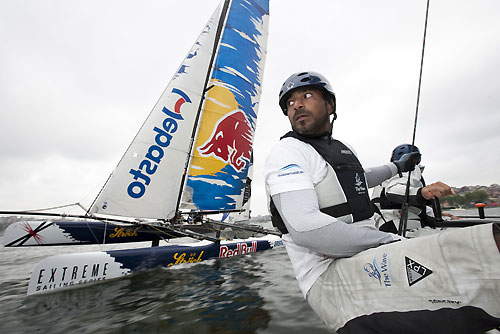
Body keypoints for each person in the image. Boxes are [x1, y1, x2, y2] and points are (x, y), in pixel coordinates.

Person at [264, 71, 500, 333]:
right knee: (483, 259)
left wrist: (398, 167)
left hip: (370, 255)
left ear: (330, 105)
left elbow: (359, 179)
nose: (297, 104)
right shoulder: (286, 153)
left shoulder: (342, 148)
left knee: (480, 256)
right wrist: (387, 240)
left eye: (306, 95)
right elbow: (305, 227)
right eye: (290, 102)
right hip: (329, 275)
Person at [371, 144, 458, 235]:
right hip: (394, 227)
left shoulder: (389, 175)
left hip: (396, 225)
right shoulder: (405, 171)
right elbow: (393, 191)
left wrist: (444, 217)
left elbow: (416, 209)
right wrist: (421, 193)